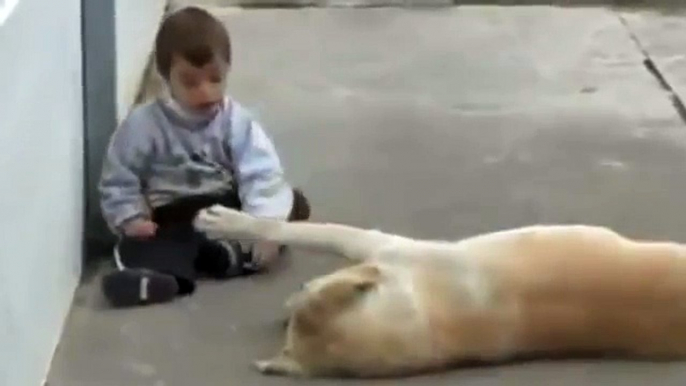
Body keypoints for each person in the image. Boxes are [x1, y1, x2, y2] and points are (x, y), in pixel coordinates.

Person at [98, 6, 310, 308]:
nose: (206, 91)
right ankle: (156, 281)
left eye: (215, 78)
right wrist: (130, 216)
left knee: (288, 202)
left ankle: (226, 253)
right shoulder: (143, 126)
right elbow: (120, 176)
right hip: (174, 215)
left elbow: (260, 172)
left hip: (226, 207)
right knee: (151, 244)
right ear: (166, 77)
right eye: (190, 81)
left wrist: (263, 224)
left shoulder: (236, 121)